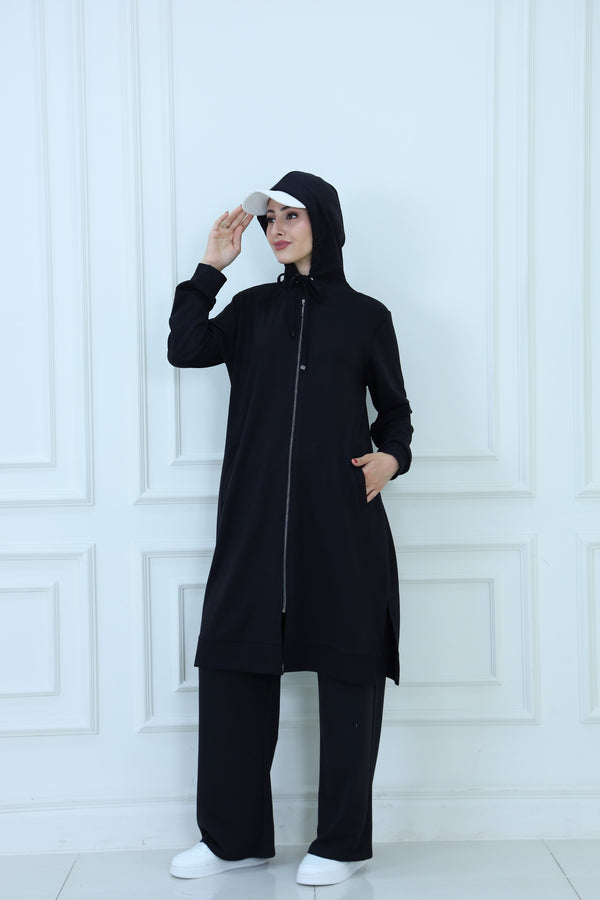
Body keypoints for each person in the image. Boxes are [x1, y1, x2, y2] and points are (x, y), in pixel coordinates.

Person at [166, 171, 412, 886]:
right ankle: (233, 839)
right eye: (269, 218)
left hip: (341, 523)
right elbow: (185, 347)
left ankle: (342, 844)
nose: (276, 228)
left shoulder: (366, 317)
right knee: (234, 665)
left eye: (291, 216)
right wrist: (210, 269)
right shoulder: (249, 311)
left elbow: (395, 410)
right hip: (253, 523)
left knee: (349, 673)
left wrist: (392, 457)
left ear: (323, 223)